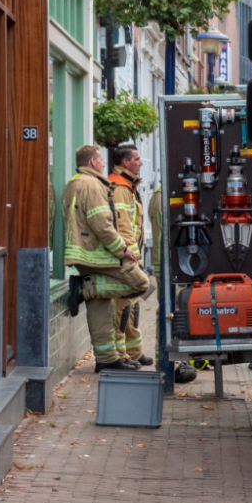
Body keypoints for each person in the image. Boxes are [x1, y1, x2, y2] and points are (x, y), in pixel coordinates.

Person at [64, 145, 155, 372]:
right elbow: (102, 224)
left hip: (84, 254)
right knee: (142, 284)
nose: (104, 165)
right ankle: (84, 288)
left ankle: (106, 359)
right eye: (101, 161)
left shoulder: (73, 183)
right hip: (99, 255)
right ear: (93, 162)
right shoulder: (92, 184)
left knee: (100, 304)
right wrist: (122, 250)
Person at [148, 180, 197, 384]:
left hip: (168, 264)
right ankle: (168, 362)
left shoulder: (158, 195)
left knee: (170, 309)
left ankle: (169, 360)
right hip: (171, 265)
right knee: (171, 311)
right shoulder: (166, 197)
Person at [109, 145, 153, 368]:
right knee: (122, 309)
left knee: (131, 307)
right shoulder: (118, 187)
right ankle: (120, 355)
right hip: (125, 257)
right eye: (137, 159)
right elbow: (123, 225)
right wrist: (132, 258)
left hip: (131, 255)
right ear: (125, 162)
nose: (141, 162)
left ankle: (134, 353)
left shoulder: (128, 186)